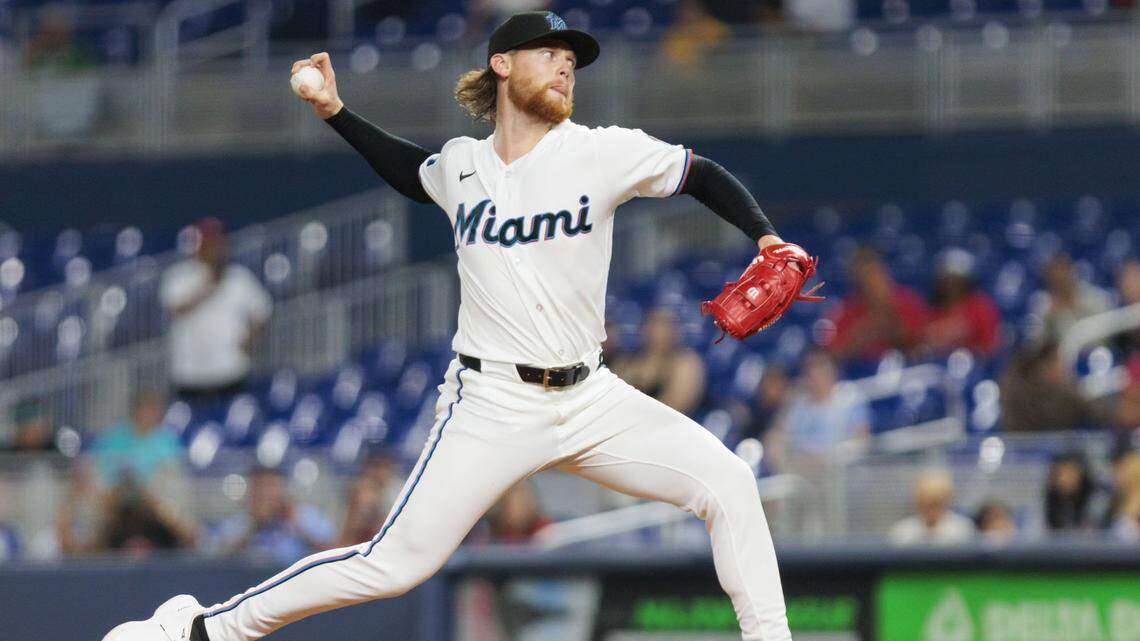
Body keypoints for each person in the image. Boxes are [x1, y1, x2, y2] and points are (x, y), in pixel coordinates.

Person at [105, 12, 801, 641]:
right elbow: (412, 171)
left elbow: (700, 173)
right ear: (502, 64)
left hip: (591, 397)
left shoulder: (599, 151)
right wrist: (336, 111)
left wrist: (765, 239)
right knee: (390, 565)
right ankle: (199, 629)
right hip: (492, 402)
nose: (566, 66)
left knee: (730, 481)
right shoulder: (463, 166)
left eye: (573, 60)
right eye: (551, 53)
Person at [160, 218, 272, 403]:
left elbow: (262, 311)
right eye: (209, 243)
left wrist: (251, 338)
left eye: (219, 243)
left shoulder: (239, 276)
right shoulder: (178, 276)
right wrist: (209, 287)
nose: (215, 248)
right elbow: (176, 310)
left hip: (231, 369)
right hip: (190, 373)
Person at [205, 466, 336, 565]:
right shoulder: (241, 520)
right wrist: (254, 525)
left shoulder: (304, 514)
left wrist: (297, 524)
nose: (265, 494)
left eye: (271, 487)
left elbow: (332, 551)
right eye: (259, 488)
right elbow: (219, 559)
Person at [763, 350, 870, 471]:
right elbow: (777, 436)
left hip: (838, 472)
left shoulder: (849, 396)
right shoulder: (798, 404)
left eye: (821, 366)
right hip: (801, 471)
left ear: (833, 370)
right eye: (811, 368)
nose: (816, 374)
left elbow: (861, 441)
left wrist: (828, 459)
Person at [827, 248, 927, 363]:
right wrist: (865, 331)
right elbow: (834, 355)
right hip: (862, 374)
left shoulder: (908, 300)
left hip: (905, 370)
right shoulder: (846, 310)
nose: (873, 284)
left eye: (876, 276)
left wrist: (891, 319)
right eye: (866, 279)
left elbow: (923, 346)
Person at [620, 307, 708, 416]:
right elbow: (615, 398)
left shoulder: (686, 363)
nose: (659, 332)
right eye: (655, 325)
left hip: (671, 426)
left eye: (665, 326)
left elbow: (676, 406)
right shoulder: (630, 360)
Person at [999, 341, 1104, 431]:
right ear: (1043, 367)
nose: (1063, 370)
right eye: (1057, 362)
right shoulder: (1020, 394)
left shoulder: (1066, 396)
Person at [91, 389, 183, 488]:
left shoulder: (168, 440)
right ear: (134, 410)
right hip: (115, 491)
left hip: (154, 492)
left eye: (152, 409)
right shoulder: (112, 437)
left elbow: (173, 472)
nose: (146, 414)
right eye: (143, 408)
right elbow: (100, 466)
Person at [920, 248, 1002, 359]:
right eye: (946, 278)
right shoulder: (930, 308)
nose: (950, 284)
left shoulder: (980, 307)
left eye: (955, 279)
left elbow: (990, 346)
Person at [1032, 253, 1111, 345]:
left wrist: (1077, 307)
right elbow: (1036, 345)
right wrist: (1050, 317)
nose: (1062, 282)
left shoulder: (1093, 297)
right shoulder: (1044, 307)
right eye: (1057, 281)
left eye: (1064, 277)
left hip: (1096, 349)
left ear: (1072, 274)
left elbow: (1108, 328)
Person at [888, 469, 976, 546]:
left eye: (935, 503)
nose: (930, 510)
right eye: (925, 503)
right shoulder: (902, 531)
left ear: (947, 501)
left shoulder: (962, 530)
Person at [337, 451, 405, 547]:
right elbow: (344, 541)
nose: (379, 474)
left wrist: (375, 507)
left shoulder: (399, 494)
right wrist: (356, 508)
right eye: (376, 467)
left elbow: (389, 536)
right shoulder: (359, 490)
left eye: (384, 468)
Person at [1044, 451, 1101, 533]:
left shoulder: (1097, 498)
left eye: (1069, 473)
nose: (1063, 479)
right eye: (1060, 473)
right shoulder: (1055, 498)